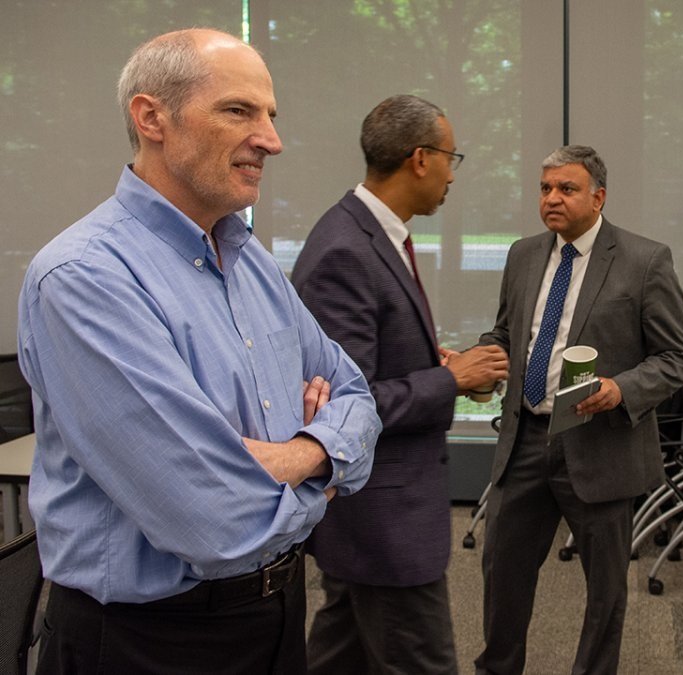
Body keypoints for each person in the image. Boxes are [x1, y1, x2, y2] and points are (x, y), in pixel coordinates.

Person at [16, 28, 382, 673]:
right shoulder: (83, 278)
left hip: (275, 615)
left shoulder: (249, 260)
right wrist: (329, 471)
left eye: (270, 115)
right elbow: (218, 524)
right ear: (151, 117)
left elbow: (355, 396)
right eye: (239, 110)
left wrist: (297, 455)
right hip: (147, 641)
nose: (271, 139)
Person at [292, 94, 508, 674]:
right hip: (381, 526)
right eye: (450, 158)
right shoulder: (345, 249)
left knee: (342, 655)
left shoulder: (373, 234)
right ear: (420, 159)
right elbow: (343, 409)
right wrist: (448, 378)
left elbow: (365, 366)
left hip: (370, 523)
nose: (451, 175)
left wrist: (435, 364)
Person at [474, 145, 683, 674]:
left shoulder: (645, 261)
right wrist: (479, 359)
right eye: (545, 188)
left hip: (598, 441)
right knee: (500, 575)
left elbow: (678, 357)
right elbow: (507, 332)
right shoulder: (523, 255)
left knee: (604, 593)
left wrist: (621, 389)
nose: (552, 199)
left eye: (566, 189)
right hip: (526, 439)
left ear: (598, 197)